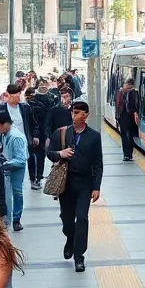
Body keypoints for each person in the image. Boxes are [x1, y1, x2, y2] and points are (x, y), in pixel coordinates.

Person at [47, 100, 103, 273]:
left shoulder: (94, 136)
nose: (74, 115)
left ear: (86, 115)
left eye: (78, 112)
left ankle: (79, 256)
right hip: (66, 183)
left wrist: (96, 186)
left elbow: (98, 163)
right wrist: (60, 154)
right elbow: (49, 154)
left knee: (82, 218)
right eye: (72, 112)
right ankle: (70, 238)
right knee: (66, 219)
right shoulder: (62, 133)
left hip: (84, 184)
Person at [0, 108, 29, 232]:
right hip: (7, 167)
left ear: (4, 123)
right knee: (7, 193)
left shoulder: (16, 137)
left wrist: (4, 164)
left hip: (16, 168)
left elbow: (21, 160)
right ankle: (7, 218)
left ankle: (17, 219)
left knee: (17, 192)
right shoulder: (5, 134)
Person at [1, 83, 42, 189]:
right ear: (9, 95)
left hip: (25, 139)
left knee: (30, 159)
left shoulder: (25, 108)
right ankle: (10, 180)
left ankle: (33, 180)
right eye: (16, 95)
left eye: (19, 94)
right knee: (10, 161)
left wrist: (35, 135)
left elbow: (34, 123)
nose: (19, 97)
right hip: (9, 141)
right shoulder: (2, 109)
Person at [116, 77, 141, 162]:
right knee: (130, 136)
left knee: (124, 136)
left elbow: (118, 105)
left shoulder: (121, 92)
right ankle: (129, 155)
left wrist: (117, 117)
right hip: (130, 117)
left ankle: (126, 155)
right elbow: (135, 106)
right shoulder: (134, 92)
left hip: (122, 117)